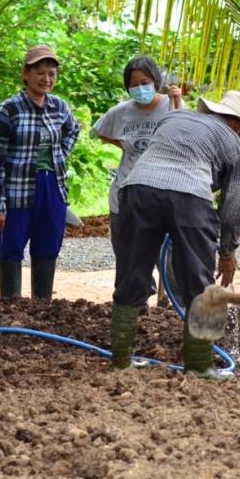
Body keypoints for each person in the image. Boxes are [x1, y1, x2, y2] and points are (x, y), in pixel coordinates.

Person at [109, 91, 240, 375]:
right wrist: (228, 252)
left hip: (137, 189)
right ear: (239, 126)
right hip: (191, 199)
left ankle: (120, 362)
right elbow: (232, 208)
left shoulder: (174, 117)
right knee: (201, 289)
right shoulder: (238, 149)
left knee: (132, 276)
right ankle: (200, 367)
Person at [0, 45, 81, 299]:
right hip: (18, 189)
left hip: (52, 187)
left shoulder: (59, 107)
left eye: (51, 74)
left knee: (48, 246)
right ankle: (11, 307)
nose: (46, 79)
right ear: (25, 74)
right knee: (12, 247)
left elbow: (73, 129)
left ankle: (42, 310)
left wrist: (59, 154)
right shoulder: (9, 109)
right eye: (40, 72)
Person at [92, 55, 182, 304]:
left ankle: (171, 305)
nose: (140, 88)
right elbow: (98, 129)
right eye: (134, 84)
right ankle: (134, 310)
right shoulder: (121, 112)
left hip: (164, 192)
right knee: (129, 260)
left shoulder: (171, 105)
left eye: (145, 82)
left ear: (155, 81)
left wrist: (178, 100)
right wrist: (122, 144)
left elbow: (184, 131)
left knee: (170, 258)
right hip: (125, 194)